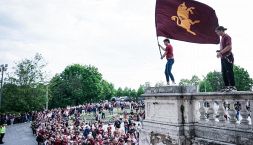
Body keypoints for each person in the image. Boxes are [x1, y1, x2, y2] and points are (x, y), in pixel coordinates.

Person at [215, 26, 237, 92]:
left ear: (221, 30)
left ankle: (233, 87)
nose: (217, 33)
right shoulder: (222, 38)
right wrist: (219, 51)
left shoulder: (227, 37)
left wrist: (220, 52)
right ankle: (227, 87)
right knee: (224, 72)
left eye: (217, 32)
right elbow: (225, 48)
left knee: (229, 71)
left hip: (228, 57)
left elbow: (229, 47)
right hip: (223, 57)